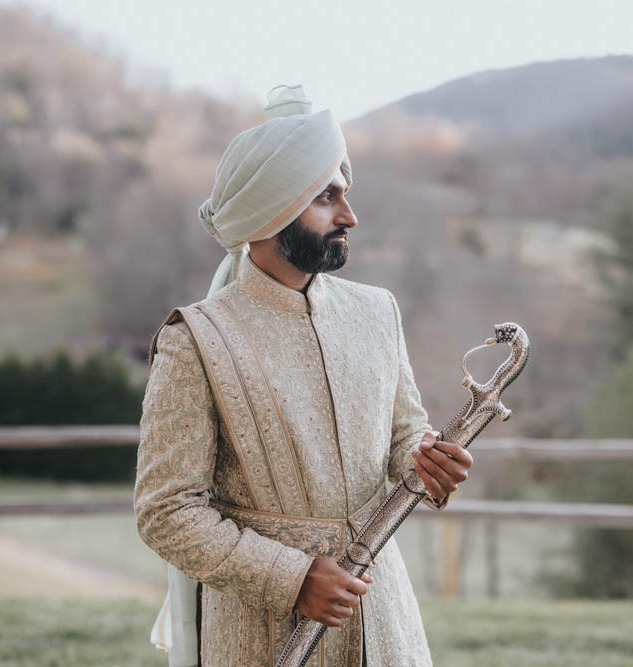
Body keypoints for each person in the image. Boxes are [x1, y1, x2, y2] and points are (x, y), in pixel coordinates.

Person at [134, 84, 473, 667]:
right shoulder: (194, 340)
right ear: (273, 212)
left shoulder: (378, 312)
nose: (350, 215)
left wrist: (428, 462)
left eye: (345, 193)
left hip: (384, 617)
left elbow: (401, 437)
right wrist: (291, 577)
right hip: (261, 632)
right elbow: (166, 512)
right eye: (327, 197)